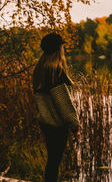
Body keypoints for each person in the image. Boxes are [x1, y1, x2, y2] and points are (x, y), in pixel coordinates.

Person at [32, 33, 80, 182]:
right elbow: (63, 102)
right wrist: (75, 125)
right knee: (54, 162)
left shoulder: (39, 69)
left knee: (52, 161)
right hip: (57, 124)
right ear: (58, 49)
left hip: (45, 122)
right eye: (61, 46)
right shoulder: (55, 71)